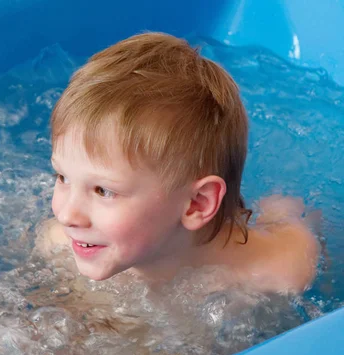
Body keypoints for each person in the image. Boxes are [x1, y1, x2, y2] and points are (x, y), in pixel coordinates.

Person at [36, 32, 320, 295]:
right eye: (62, 177)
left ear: (197, 203)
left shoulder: (280, 271)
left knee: (283, 208)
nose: (67, 216)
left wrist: (284, 217)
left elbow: (301, 243)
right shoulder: (59, 244)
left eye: (103, 191)